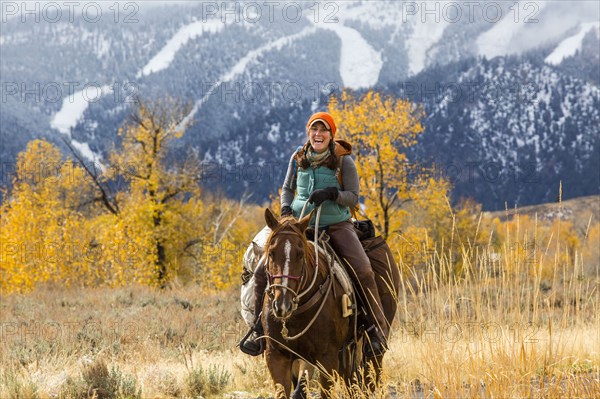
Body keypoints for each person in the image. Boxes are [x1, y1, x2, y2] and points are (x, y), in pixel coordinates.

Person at [240, 112, 389, 357]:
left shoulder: (343, 161)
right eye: (314, 129)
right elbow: (287, 188)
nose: (318, 134)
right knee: (260, 271)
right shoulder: (298, 157)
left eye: (324, 130)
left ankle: (376, 330)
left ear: (331, 135)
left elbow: (353, 197)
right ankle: (258, 330)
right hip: (299, 227)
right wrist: (286, 209)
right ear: (309, 133)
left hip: (336, 225)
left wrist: (332, 194)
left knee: (363, 269)